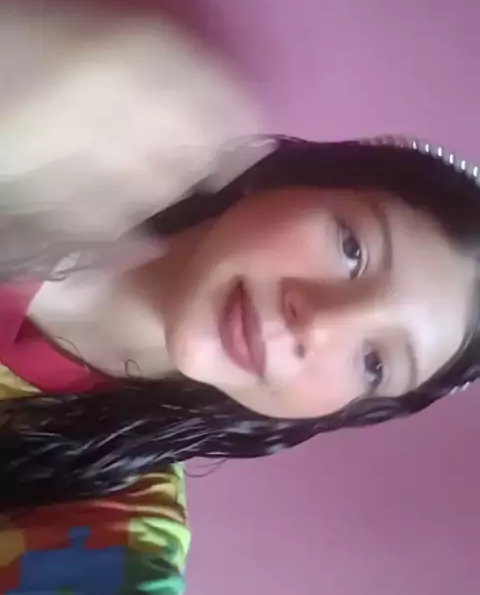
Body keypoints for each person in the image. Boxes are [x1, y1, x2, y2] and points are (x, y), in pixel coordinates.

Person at [0, 133, 478, 511]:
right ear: (284, 178)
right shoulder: (43, 133)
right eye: (352, 250)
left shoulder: (108, 502)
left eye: (374, 363)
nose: (318, 326)